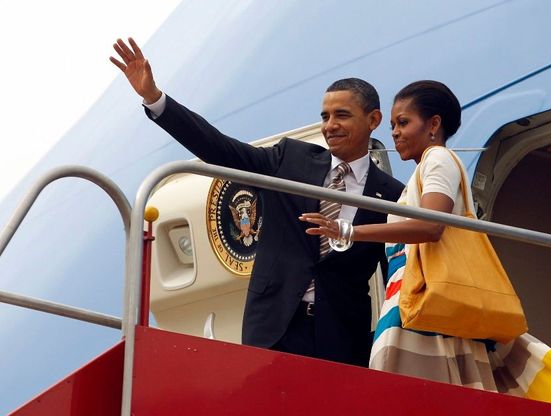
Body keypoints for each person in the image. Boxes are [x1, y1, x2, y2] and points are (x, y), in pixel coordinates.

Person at [110, 38, 404, 367]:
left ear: (373, 119)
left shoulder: (392, 195)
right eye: (325, 116)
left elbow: (395, 277)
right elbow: (219, 149)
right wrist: (155, 99)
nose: (329, 125)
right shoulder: (291, 158)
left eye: (342, 115)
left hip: (341, 338)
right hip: (273, 328)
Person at [302, 80, 551, 406]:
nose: (395, 132)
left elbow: (432, 225)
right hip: (416, 306)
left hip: (424, 306)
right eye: (393, 124)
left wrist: (350, 231)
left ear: (433, 124)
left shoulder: (437, 158)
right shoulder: (425, 170)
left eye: (404, 123)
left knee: (412, 400)